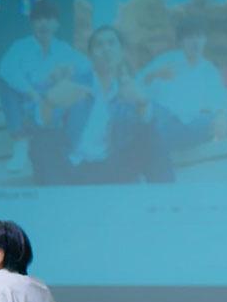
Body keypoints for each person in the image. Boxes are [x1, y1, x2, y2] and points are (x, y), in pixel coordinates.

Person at [138, 17, 227, 181]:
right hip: (165, 128)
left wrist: (222, 115)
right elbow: (135, 86)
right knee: (156, 119)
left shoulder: (208, 69)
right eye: (190, 37)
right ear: (181, 42)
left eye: (199, 37)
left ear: (204, 40)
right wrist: (153, 75)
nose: (195, 42)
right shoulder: (166, 61)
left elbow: (221, 101)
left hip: (193, 127)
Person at [30, 25, 154, 185]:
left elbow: (146, 125)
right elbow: (40, 122)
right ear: (90, 56)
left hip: (112, 167)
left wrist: (142, 102)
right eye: (99, 45)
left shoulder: (130, 87)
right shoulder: (75, 82)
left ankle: (165, 194)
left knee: (152, 133)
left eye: (111, 43)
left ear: (122, 51)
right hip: (74, 165)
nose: (106, 49)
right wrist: (49, 102)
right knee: (42, 141)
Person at [0, 0, 91, 173]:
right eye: (38, 19)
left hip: (53, 108)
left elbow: (87, 67)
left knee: (81, 88)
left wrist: (69, 70)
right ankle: (20, 144)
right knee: (6, 82)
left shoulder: (63, 49)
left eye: (48, 19)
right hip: (27, 108)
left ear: (57, 24)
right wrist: (31, 91)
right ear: (32, 23)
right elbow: (6, 70)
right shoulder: (20, 47)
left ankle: (74, 146)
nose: (43, 24)